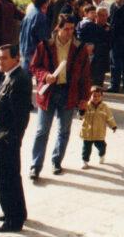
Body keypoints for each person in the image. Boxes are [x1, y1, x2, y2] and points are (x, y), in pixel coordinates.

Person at [29, 15, 92, 180]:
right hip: (49, 92)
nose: (70, 32)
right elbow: (34, 66)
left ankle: (57, 161)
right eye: (66, 29)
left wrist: (85, 98)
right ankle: (35, 166)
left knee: (64, 130)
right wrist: (45, 75)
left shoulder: (80, 47)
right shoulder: (45, 45)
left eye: (72, 29)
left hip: (69, 92)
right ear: (58, 27)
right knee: (42, 131)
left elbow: (85, 75)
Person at [0, 44, 32, 233]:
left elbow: (20, 115)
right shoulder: (10, 75)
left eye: (4, 58)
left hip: (7, 138)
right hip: (5, 136)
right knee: (11, 177)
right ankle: (15, 212)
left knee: (6, 178)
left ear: (16, 58)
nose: (0, 62)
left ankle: (13, 220)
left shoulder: (19, 79)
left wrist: (9, 138)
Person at [79, 86, 117, 168]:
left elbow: (109, 118)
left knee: (102, 146)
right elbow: (80, 117)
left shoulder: (105, 107)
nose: (96, 98)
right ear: (90, 96)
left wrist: (113, 126)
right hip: (87, 132)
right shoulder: (87, 105)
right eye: (94, 96)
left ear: (101, 97)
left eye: (98, 96)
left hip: (99, 133)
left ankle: (102, 155)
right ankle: (84, 161)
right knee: (86, 149)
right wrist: (81, 112)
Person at [18, 0, 52, 69]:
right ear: (45, 3)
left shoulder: (29, 14)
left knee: (26, 75)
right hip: (33, 51)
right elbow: (43, 37)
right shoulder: (40, 16)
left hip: (23, 48)